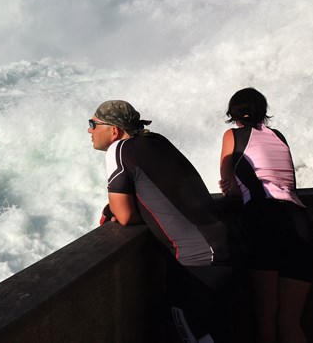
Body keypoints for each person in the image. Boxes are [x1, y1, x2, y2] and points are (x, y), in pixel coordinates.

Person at [90, 100, 233, 343]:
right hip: (225, 246)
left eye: (93, 124)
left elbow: (124, 216)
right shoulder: (157, 141)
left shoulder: (119, 149)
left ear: (113, 131)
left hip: (197, 260)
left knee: (193, 334)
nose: (89, 131)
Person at [218, 87, 313, 343]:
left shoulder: (233, 135)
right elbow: (287, 183)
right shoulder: (279, 136)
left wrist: (232, 187)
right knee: (290, 320)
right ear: (263, 111)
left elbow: (229, 187)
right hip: (301, 222)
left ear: (233, 114)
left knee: (266, 315)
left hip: (266, 220)